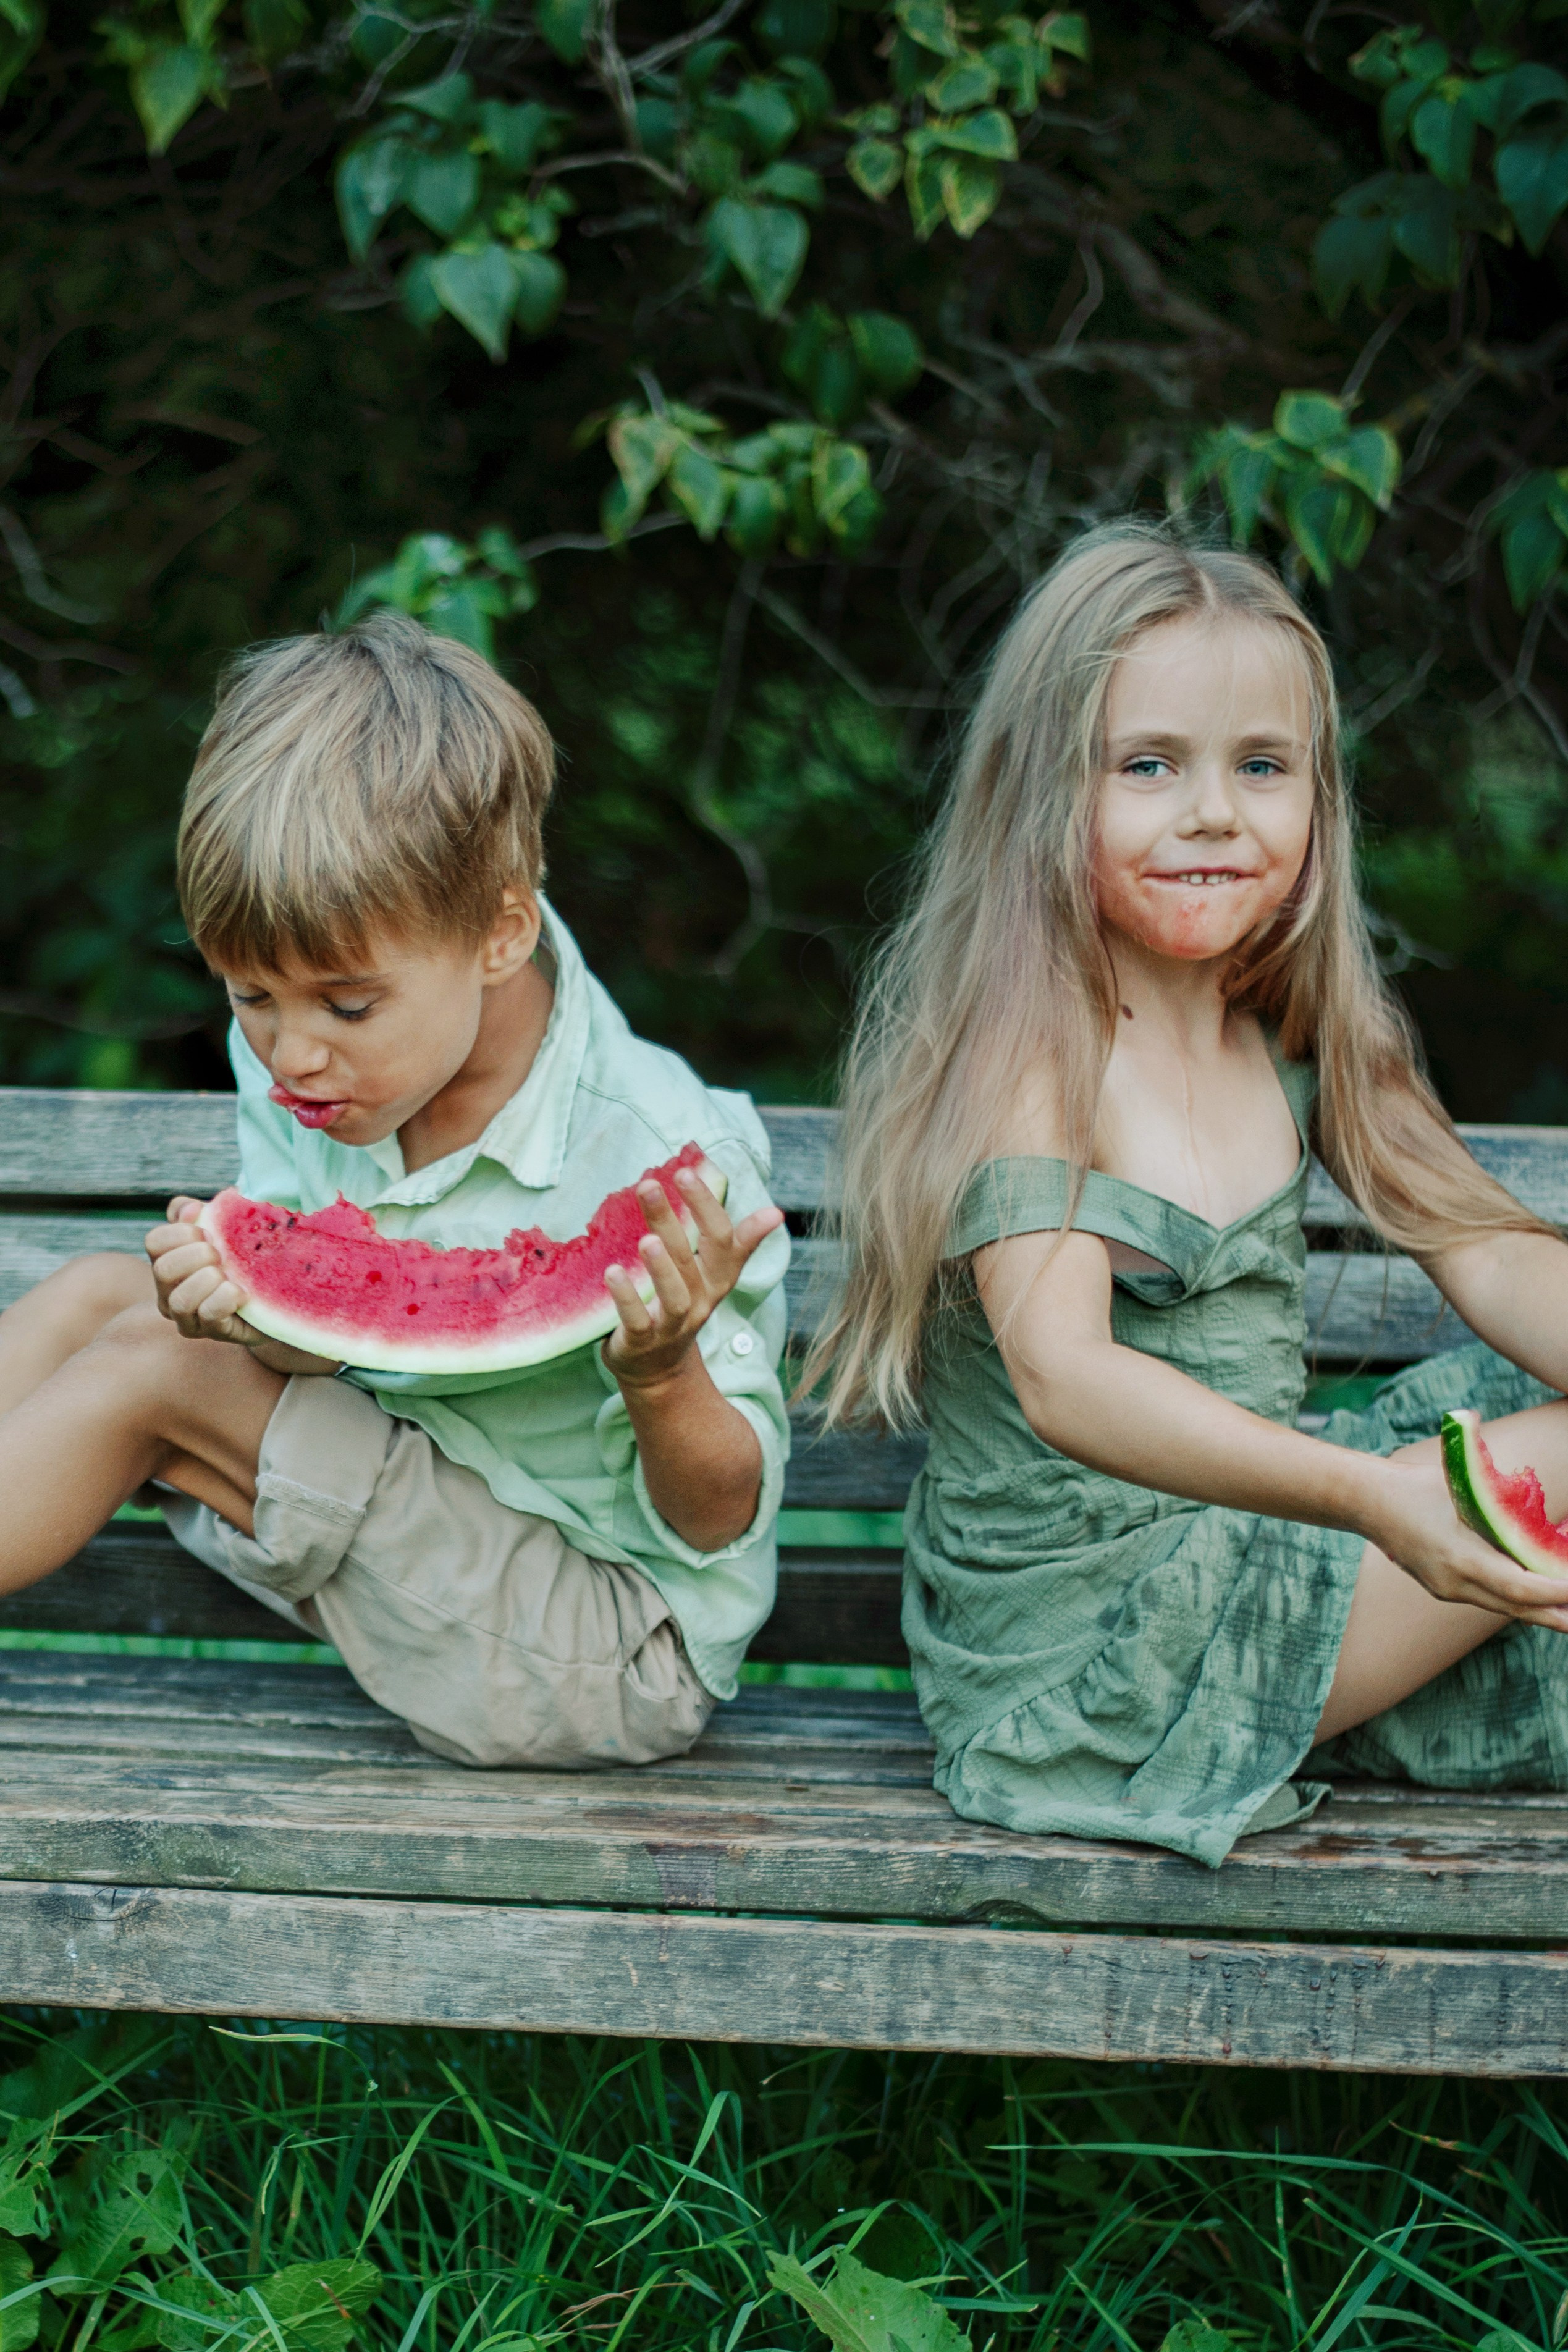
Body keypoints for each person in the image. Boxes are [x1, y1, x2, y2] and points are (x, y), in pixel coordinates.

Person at [809, 522, 1568, 1866]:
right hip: (1088, 1654)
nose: (1214, 812)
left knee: (1514, 1411)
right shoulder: (1027, 1050)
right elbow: (1066, 1377)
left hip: (1280, 1552)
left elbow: (1494, 1256)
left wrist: (1371, 1495)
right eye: (1150, 765)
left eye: (1261, 766)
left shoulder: (1300, 1026)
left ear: (1316, 795)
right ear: (1044, 788)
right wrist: (1369, 1495)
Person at [0, 612, 789, 1769]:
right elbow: (320, 1352)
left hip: (608, 1648)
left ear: (500, 933)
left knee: (152, 1367)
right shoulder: (303, 1034)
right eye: (247, 997)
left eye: (347, 1007)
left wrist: (662, 1371)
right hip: (412, 1535)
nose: (291, 1056)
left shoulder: (663, 1159)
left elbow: (718, 1519)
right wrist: (245, 1311)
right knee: (92, 1296)